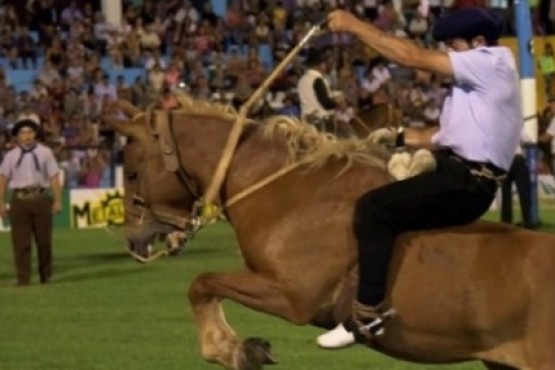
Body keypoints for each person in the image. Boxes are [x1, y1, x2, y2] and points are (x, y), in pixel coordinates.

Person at [317, 7, 522, 348]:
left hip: (467, 180)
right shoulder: (473, 84)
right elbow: (444, 136)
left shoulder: (490, 61)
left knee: (373, 209)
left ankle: (367, 316)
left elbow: (410, 56)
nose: (446, 54)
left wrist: (354, 26)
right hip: (458, 172)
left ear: (478, 41)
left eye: (452, 46)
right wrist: (396, 137)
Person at [0, 120, 62, 286]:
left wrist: (57, 200)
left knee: (44, 240)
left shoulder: (45, 153)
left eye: (29, 132)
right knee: (20, 241)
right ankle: (23, 278)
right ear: (17, 136)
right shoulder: (11, 156)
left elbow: (54, 177)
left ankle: (46, 274)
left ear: (35, 134)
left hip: (40, 197)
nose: (26, 136)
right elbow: (3, 179)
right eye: (22, 133)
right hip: (19, 199)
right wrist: (1, 202)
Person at [297, 48, 338, 131]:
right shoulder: (317, 79)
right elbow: (326, 103)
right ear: (321, 65)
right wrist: (337, 103)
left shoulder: (302, 80)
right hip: (321, 122)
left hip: (306, 121)